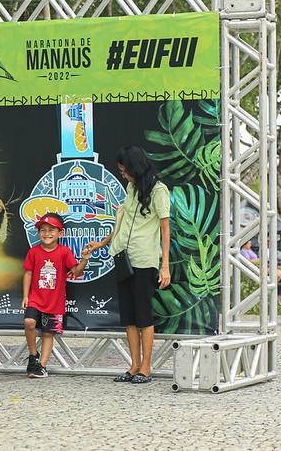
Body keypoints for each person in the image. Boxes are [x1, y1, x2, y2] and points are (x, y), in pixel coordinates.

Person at [84, 146, 170, 384]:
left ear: (136, 168)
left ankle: (146, 367)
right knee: (129, 317)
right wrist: (101, 244)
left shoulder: (159, 191)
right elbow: (122, 221)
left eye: (125, 171)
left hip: (144, 259)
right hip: (123, 256)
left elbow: (165, 229)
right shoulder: (130, 188)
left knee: (143, 314)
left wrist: (165, 266)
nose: (123, 175)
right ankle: (133, 365)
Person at [22, 212, 91, 378]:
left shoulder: (64, 252)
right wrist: (26, 296)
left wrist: (84, 260)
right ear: (38, 233)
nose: (47, 233)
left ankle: (42, 367)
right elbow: (28, 273)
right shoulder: (33, 252)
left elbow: (75, 271)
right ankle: (33, 356)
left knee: (48, 333)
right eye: (43, 230)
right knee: (29, 322)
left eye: (51, 230)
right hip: (35, 300)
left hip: (55, 303)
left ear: (60, 233)